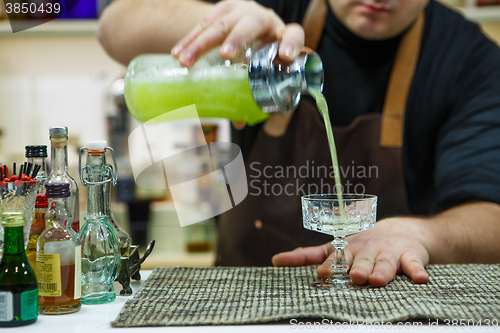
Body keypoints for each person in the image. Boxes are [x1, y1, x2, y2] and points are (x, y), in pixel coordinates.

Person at [98, 0, 500, 287]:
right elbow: (114, 25)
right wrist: (221, 22)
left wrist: (421, 236)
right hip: (238, 298)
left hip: (385, 304)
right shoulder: (278, 15)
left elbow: (491, 218)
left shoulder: (469, 60)